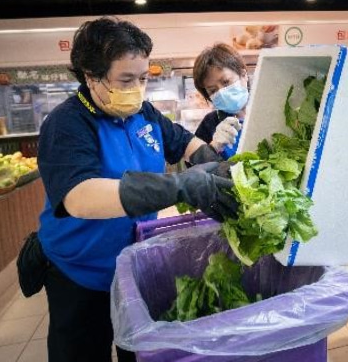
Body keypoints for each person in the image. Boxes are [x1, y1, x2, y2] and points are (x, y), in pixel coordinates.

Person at [23, 18, 238, 362]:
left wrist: (213, 162)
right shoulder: (66, 125)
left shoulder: (145, 113)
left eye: (143, 78)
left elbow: (184, 143)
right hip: (78, 272)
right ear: (91, 76)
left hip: (131, 268)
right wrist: (181, 185)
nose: (138, 89)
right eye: (126, 79)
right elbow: (81, 197)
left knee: (135, 352)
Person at [192, 43, 250, 159]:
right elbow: (196, 168)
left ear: (243, 75)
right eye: (213, 90)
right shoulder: (209, 124)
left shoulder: (268, 109)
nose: (222, 93)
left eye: (226, 82)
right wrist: (213, 148)